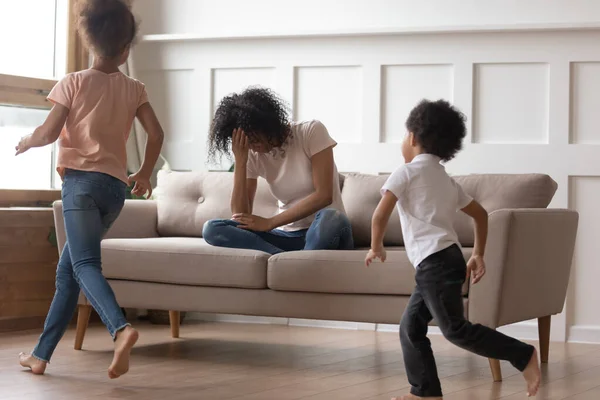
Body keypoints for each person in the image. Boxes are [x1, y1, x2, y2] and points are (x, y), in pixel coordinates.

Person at [16, 0, 164, 379]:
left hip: (80, 186)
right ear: (127, 46)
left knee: (84, 265)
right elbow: (157, 133)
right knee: (68, 273)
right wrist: (144, 172)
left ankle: (121, 328)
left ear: (87, 39)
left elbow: (49, 132)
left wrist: (27, 141)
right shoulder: (135, 88)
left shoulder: (73, 81)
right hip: (116, 190)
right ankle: (40, 355)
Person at [365, 99, 541, 399]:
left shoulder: (404, 173)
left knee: (455, 329)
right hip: (445, 260)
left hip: (434, 263)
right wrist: (477, 254)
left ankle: (523, 354)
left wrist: (376, 246)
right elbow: (481, 215)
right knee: (410, 328)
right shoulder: (445, 179)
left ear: (412, 137)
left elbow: (380, 214)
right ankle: (426, 392)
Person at [203, 87, 353, 254]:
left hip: (326, 231)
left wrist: (270, 223)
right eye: (248, 143)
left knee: (331, 218)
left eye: (255, 140)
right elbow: (240, 215)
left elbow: (324, 196)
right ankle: (286, 260)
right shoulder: (252, 155)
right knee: (212, 228)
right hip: (287, 237)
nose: (253, 147)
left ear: (268, 126)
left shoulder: (311, 132)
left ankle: (293, 263)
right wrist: (240, 162)